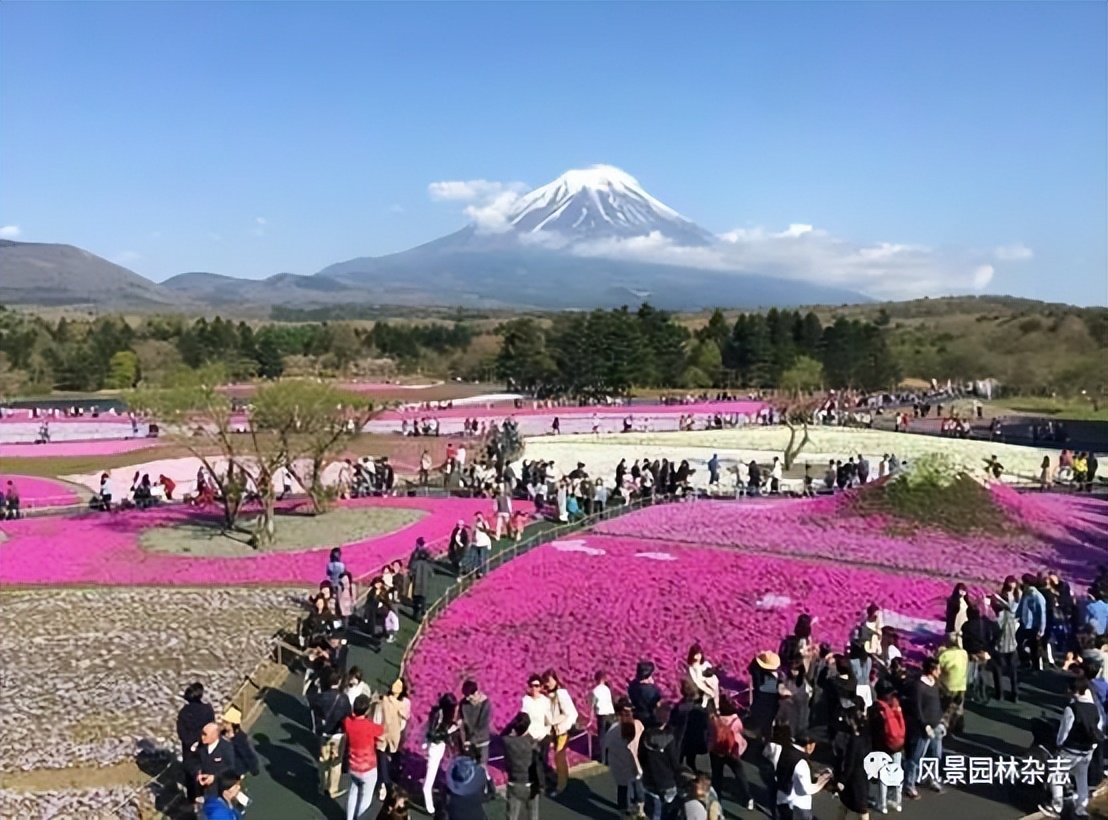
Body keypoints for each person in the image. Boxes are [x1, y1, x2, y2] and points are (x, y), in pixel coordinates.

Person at [1039, 676, 1105, 819]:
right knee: (1082, 777)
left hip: (1070, 749)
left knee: (1056, 773)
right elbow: (1098, 726)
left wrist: (1059, 744)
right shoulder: (1093, 708)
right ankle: (1081, 808)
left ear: (1072, 690)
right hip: (1087, 750)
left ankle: (1057, 806)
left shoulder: (1072, 709)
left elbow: (1064, 731)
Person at [904, 658, 945, 799]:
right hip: (923, 728)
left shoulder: (935, 684)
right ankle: (909, 784)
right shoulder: (919, 686)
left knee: (936, 755)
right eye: (938, 669)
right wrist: (924, 725)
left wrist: (941, 721)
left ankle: (932, 779)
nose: (940, 671)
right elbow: (917, 708)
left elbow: (937, 704)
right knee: (916, 757)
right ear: (932, 670)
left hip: (936, 726)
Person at [310, 667, 352, 799]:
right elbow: (347, 716)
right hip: (338, 734)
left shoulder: (321, 698)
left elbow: (314, 709)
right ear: (339, 682)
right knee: (336, 762)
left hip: (324, 733)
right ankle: (333, 789)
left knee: (323, 760)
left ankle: (322, 786)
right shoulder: (344, 699)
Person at [342, 693, 385, 820]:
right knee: (366, 799)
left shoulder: (348, 722)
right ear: (366, 710)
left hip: (353, 766)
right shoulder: (369, 726)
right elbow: (381, 730)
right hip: (368, 769)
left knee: (353, 792)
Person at [707, 695, 753, 811]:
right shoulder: (735, 720)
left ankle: (717, 800)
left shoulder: (714, 720)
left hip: (716, 751)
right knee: (739, 774)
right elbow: (740, 730)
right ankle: (747, 798)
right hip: (732, 751)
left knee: (717, 775)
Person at [423, 693, 464, 815]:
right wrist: (452, 730)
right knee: (430, 776)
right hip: (435, 748)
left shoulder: (441, 714)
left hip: (439, 747)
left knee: (439, 769)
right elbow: (434, 735)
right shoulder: (438, 715)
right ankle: (429, 801)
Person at [605, 698, 646, 820]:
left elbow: (607, 746)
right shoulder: (637, 724)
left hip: (619, 763)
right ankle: (640, 810)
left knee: (622, 787)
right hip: (633, 762)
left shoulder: (612, 730)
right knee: (637, 784)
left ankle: (624, 810)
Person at [639, 702, 681, 820]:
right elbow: (674, 761)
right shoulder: (670, 738)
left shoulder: (646, 735)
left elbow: (641, 756)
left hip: (649, 779)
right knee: (669, 810)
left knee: (654, 811)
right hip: (667, 780)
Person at [869, 680, 905, 814]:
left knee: (883, 776)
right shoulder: (895, 705)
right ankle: (898, 801)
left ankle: (882, 804)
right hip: (898, 744)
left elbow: (872, 730)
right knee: (897, 774)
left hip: (882, 747)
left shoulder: (876, 708)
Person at [777, 730, 832, 820]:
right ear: (809, 745)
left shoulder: (784, 750)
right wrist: (823, 780)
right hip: (798, 804)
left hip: (781, 798)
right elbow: (807, 789)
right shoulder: (801, 763)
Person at [178, 683, 217, 801]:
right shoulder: (208, 709)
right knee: (205, 769)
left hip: (189, 748)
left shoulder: (184, 713)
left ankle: (192, 797)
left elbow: (181, 732)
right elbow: (212, 727)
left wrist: (191, 743)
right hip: (205, 745)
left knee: (190, 773)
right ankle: (205, 792)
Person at [374, 679, 411, 800]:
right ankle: (386, 784)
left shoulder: (384, 701)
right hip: (395, 735)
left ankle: (383, 784)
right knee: (388, 759)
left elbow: (377, 718)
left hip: (383, 734)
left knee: (382, 759)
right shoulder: (404, 703)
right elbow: (404, 722)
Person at [543, 668, 578, 796]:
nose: (547, 683)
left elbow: (570, 713)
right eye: (545, 681)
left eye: (549, 680)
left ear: (556, 680)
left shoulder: (561, 694)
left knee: (559, 757)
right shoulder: (550, 694)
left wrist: (555, 722)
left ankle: (561, 785)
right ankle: (562, 779)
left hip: (562, 730)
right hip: (556, 731)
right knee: (559, 757)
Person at [502, 713, 539, 820]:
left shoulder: (508, 741)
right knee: (533, 815)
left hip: (514, 783)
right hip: (530, 784)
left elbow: (503, 733)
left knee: (512, 815)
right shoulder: (532, 743)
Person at [522, 674, 554, 794]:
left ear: (541, 687)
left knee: (542, 760)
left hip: (543, 734)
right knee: (534, 760)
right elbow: (524, 719)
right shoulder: (525, 701)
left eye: (536, 686)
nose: (534, 689)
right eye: (532, 686)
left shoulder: (545, 701)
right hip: (531, 735)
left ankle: (546, 782)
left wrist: (549, 734)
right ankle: (540, 784)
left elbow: (549, 718)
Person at [671, 678, 710, 773]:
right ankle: (692, 769)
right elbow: (705, 725)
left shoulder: (680, 707)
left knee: (678, 758)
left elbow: (673, 722)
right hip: (694, 738)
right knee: (691, 758)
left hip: (682, 738)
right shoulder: (701, 709)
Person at [461, 680, 493, 791]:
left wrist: (471, 740)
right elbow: (463, 724)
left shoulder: (485, 703)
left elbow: (482, 724)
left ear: (476, 693)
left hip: (482, 740)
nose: (467, 700)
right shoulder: (463, 704)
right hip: (470, 741)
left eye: (470, 697)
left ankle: (484, 789)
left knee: (482, 765)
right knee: (472, 766)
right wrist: (464, 740)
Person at [194, 722, 238, 799]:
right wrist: (198, 772)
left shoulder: (226, 749)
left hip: (218, 789)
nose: (202, 737)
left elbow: (231, 769)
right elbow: (196, 760)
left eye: (205, 734)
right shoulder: (201, 745)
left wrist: (214, 777)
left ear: (214, 735)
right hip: (202, 785)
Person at [937, 633, 968, 735]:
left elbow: (937, 666)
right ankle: (959, 726)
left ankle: (946, 728)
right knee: (958, 707)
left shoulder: (945, 655)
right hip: (961, 685)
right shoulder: (964, 653)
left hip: (948, 686)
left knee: (946, 708)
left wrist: (939, 652)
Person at [1018, 574, 1048, 671]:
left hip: (1033, 626)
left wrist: (1041, 630)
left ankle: (1036, 667)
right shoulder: (1026, 593)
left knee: (1034, 647)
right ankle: (1027, 662)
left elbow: (1042, 613)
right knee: (1020, 643)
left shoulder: (1036, 596)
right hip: (1025, 624)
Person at [443, 755, 489, 820]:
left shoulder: (450, 789)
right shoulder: (480, 784)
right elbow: (488, 794)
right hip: (476, 815)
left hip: (456, 816)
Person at [219, 706, 260, 779]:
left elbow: (248, 755)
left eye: (226, 722)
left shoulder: (240, 739)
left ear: (233, 724)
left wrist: (254, 769)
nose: (223, 723)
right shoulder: (222, 733)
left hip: (235, 770)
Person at [591, 671, 616, 762]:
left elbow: (593, 704)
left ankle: (603, 757)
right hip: (610, 713)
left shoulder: (595, 690)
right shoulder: (607, 689)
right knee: (610, 734)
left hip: (601, 715)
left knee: (602, 736)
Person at [628, 661, 663, 728]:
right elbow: (656, 703)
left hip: (636, 716)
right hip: (648, 718)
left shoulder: (632, 685)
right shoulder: (652, 690)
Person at [686, 644, 720, 710]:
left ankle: (717, 708)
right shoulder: (693, 668)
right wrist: (708, 691)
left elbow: (712, 674)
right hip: (702, 689)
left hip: (713, 685)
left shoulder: (705, 664)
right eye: (696, 654)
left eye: (700, 654)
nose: (698, 656)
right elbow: (698, 682)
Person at [409, 539, 434, 620]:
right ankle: (423, 611)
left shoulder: (415, 558)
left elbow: (411, 568)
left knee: (416, 599)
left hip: (417, 582)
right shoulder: (427, 560)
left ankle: (415, 613)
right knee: (423, 598)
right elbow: (431, 572)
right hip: (424, 583)